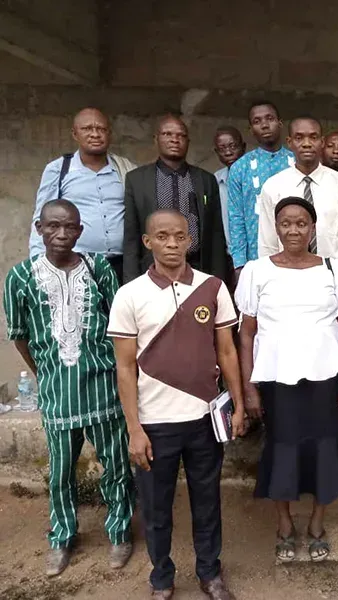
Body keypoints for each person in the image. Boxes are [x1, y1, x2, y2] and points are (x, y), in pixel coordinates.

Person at [109, 209, 245, 600]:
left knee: (208, 502)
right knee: (156, 508)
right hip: (154, 424)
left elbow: (227, 351)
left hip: (204, 419)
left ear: (190, 240)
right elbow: (124, 368)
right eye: (163, 236)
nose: (172, 244)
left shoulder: (213, 287)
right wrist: (134, 429)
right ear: (148, 242)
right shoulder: (129, 295)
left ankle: (210, 573)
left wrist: (237, 405)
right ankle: (161, 578)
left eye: (179, 236)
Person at [5, 199, 135, 577]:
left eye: (69, 227)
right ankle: (62, 536)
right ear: (39, 228)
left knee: (116, 465)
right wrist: (46, 373)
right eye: (53, 226)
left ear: (79, 231)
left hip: (103, 389)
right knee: (61, 471)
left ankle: (120, 531)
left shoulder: (98, 269)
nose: (61, 234)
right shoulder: (20, 277)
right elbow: (20, 336)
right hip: (57, 394)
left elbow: (120, 325)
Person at [236, 197, 338, 563]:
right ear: (276, 228)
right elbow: (246, 335)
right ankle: (284, 524)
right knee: (283, 448)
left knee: (325, 448)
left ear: (313, 228)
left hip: (326, 379)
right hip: (278, 381)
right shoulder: (256, 272)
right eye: (286, 223)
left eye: (301, 223)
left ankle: (317, 524)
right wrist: (249, 388)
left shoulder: (333, 269)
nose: (294, 230)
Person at [30, 108, 136, 283]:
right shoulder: (59, 169)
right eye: (87, 129)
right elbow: (41, 217)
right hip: (75, 263)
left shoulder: (125, 169)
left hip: (122, 265)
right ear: (75, 134)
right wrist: (38, 264)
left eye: (101, 129)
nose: (95, 134)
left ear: (109, 134)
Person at [257, 116, 338, 291]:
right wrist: (271, 284)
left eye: (313, 137)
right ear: (289, 142)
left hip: (332, 281)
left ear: (322, 142)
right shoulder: (273, 186)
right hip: (286, 281)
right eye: (299, 138)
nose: (306, 144)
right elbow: (267, 243)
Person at [123, 115, 227, 284]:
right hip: (153, 271)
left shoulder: (206, 180)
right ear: (156, 139)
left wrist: (218, 281)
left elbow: (216, 235)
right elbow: (131, 237)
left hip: (198, 268)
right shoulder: (137, 180)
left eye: (181, 135)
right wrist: (131, 282)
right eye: (167, 134)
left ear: (188, 142)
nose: (174, 140)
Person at [227, 101, 294, 273]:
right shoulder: (240, 168)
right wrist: (239, 264)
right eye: (257, 121)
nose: (264, 125)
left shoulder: (297, 162)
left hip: (297, 257)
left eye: (269, 118)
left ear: (280, 123)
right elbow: (236, 218)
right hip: (255, 259)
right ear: (251, 129)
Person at [212, 126, 246, 248]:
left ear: (243, 147)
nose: (228, 153)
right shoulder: (215, 180)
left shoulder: (256, 177)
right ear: (216, 152)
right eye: (222, 149)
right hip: (227, 250)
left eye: (233, 146)